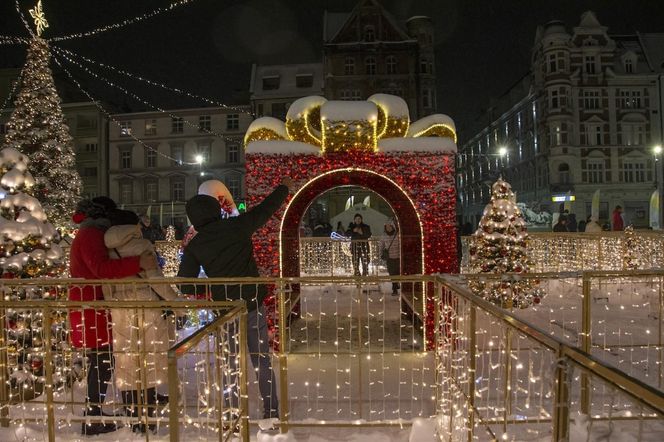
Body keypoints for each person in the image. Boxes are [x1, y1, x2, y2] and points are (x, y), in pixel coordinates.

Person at [177, 176, 294, 420]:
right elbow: (266, 209)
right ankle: (271, 411)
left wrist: (208, 286)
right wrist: (282, 187)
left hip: (224, 310)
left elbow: (185, 282)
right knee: (261, 360)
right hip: (252, 302)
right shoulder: (238, 226)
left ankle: (232, 412)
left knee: (230, 363)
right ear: (216, 210)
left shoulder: (196, 245)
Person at [69, 197, 158, 436]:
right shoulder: (91, 235)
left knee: (103, 361)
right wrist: (137, 262)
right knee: (103, 362)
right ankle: (93, 417)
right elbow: (101, 270)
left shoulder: (91, 233)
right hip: (92, 307)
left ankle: (95, 414)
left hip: (94, 306)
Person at [104, 209, 183, 434]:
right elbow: (156, 279)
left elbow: (105, 282)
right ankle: (146, 416)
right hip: (146, 304)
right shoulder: (142, 246)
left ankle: (131, 413)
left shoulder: (108, 249)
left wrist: (112, 302)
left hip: (120, 306)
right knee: (147, 360)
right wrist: (175, 302)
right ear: (134, 226)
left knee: (126, 360)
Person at [380, 220, 401, 295]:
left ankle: (397, 283)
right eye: (386, 227)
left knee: (398, 272)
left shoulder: (398, 234)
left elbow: (400, 245)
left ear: (393, 227)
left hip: (398, 257)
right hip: (389, 258)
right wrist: (381, 254)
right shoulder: (384, 235)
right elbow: (381, 246)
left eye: (389, 226)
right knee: (392, 274)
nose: (388, 228)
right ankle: (394, 288)